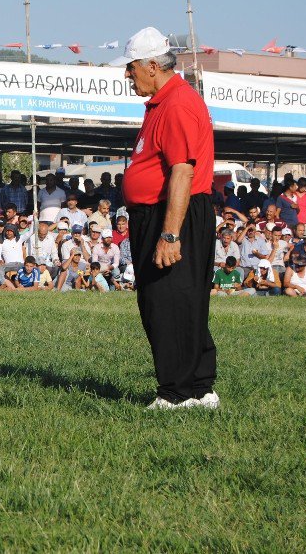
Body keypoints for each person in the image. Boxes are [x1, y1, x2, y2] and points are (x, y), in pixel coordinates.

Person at [115, 25, 218, 410]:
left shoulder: (177, 104)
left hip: (172, 213)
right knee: (181, 301)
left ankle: (176, 393)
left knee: (166, 302)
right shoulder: (164, 102)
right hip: (163, 212)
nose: (127, 75)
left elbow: (182, 171)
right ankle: (199, 388)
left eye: (131, 67)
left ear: (153, 66)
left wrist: (169, 234)